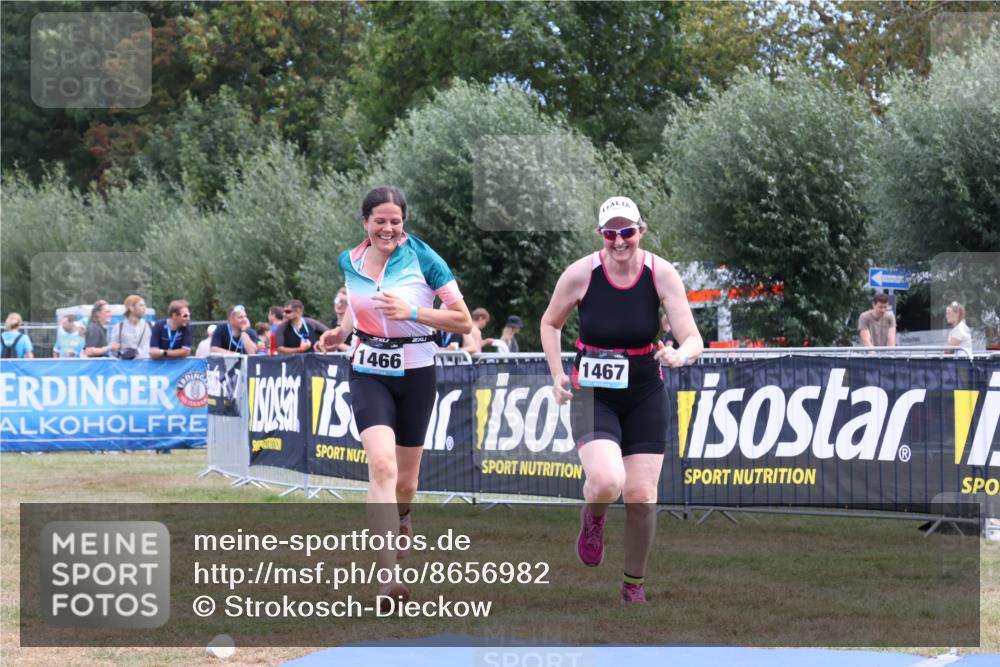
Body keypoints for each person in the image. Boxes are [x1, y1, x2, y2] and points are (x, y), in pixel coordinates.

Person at [540, 195, 703, 604]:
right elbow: (549, 322)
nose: (619, 241)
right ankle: (592, 518)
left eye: (626, 232)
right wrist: (558, 373)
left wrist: (680, 354)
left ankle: (634, 584)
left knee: (642, 496)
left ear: (640, 231)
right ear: (601, 235)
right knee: (608, 481)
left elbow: (693, 336)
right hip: (594, 391)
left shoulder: (660, 273)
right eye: (610, 233)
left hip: (645, 390)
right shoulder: (581, 273)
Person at [318, 186, 472, 606]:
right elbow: (357, 301)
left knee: (406, 481)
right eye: (380, 221)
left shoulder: (425, 258)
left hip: (417, 372)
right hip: (367, 371)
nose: (388, 228)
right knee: (381, 466)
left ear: (404, 223)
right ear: (365, 222)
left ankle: (404, 516)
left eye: (395, 221)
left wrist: (413, 312)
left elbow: (462, 321)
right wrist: (343, 331)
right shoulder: (349, 260)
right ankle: (388, 578)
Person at [109, 295, 152, 360]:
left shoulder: (150, 326)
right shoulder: (118, 328)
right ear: (131, 307)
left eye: (144, 305)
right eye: (141, 305)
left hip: (145, 367)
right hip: (125, 367)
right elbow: (112, 353)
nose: (144, 308)